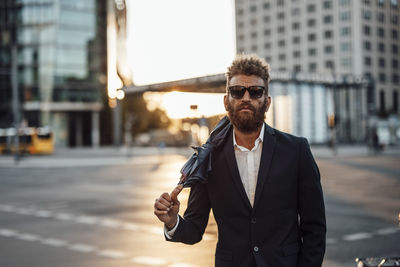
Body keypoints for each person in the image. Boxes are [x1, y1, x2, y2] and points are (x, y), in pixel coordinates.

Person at [154, 54, 326, 267]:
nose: (246, 98)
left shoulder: (296, 150)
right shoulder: (209, 158)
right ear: (227, 100)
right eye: (237, 91)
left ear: (267, 102)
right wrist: (172, 222)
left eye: (255, 91)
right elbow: (194, 229)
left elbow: (315, 228)